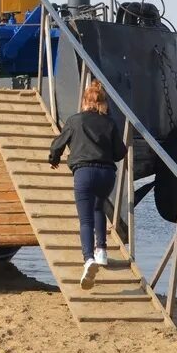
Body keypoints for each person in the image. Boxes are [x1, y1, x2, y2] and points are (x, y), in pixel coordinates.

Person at [49, 80, 125, 290]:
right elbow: (120, 152)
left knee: (85, 220)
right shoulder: (110, 123)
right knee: (99, 207)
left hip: (84, 172)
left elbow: (58, 144)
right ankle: (102, 251)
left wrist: (54, 159)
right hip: (107, 174)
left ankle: (89, 258)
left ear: (84, 101)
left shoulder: (75, 121)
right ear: (104, 103)